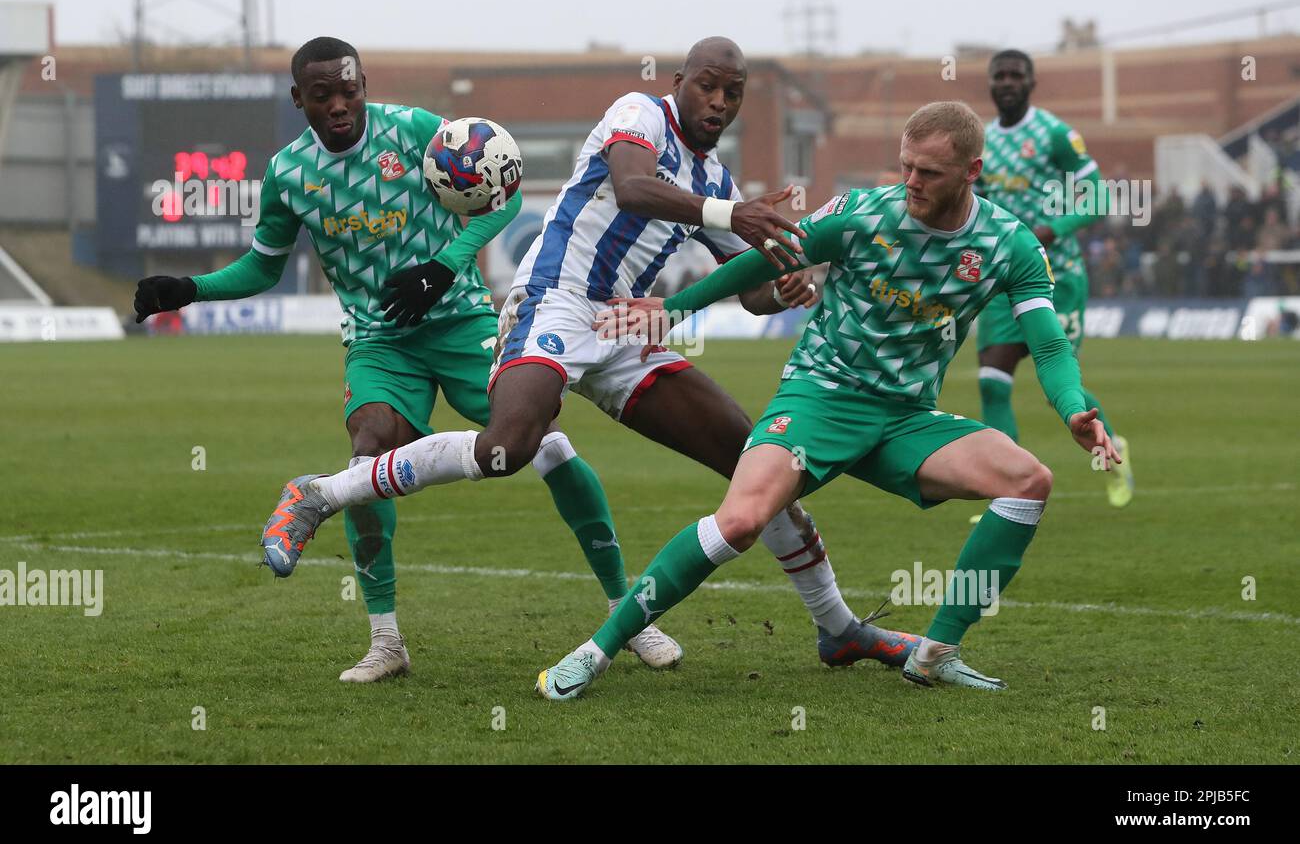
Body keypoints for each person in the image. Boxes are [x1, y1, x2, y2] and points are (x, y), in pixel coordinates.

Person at [263, 37, 924, 676]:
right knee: (507, 449)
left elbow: (747, 288)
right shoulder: (638, 115)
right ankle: (321, 493)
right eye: (707, 86)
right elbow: (635, 188)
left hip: (621, 327)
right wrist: (730, 214)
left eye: (733, 92)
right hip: (553, 302)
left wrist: (779, 287)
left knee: (757, 461)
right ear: (679, 84)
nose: (719, 102)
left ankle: (837, 628)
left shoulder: (714, 179)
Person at [134, 36, 681, 681]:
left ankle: (629, 614)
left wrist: (446, 267)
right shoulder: (288, 173)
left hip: (461, 324)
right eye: (322, 96)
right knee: (368, 450)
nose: (339, 104)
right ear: (298, 99)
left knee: (547, 446)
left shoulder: (417, 132)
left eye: (349, 89)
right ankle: (386, 642)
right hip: (380, 340)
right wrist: (191, 289)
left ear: (363, 82)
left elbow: (502, 195)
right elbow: (264, 265)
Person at [535, 100, 1120, 699]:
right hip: (820, 398)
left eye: (929, 173)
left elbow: (1048, 347)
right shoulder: (862, 214)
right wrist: (676, 307)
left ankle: (937, 651)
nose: (911, 183)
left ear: (971, 172)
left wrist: (1073, 406)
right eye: (906, 167)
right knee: (739, 521)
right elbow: (767, 258)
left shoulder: (1010, 244)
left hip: (906, 420)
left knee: (1029, 480)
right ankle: (597, 650)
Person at [975, 49, 1134, 508]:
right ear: (990, 85)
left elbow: (1098, 197)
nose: (1007, 82)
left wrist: (1052, 228)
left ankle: (1113, 444)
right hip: (1004, 276)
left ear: (1031, 82)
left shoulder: (1055, 135)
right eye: (999, 75)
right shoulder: (981, 141)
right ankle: (1006, 491)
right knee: (991, 378)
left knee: (1059, 389)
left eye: (1015, 75)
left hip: (1056, 275)